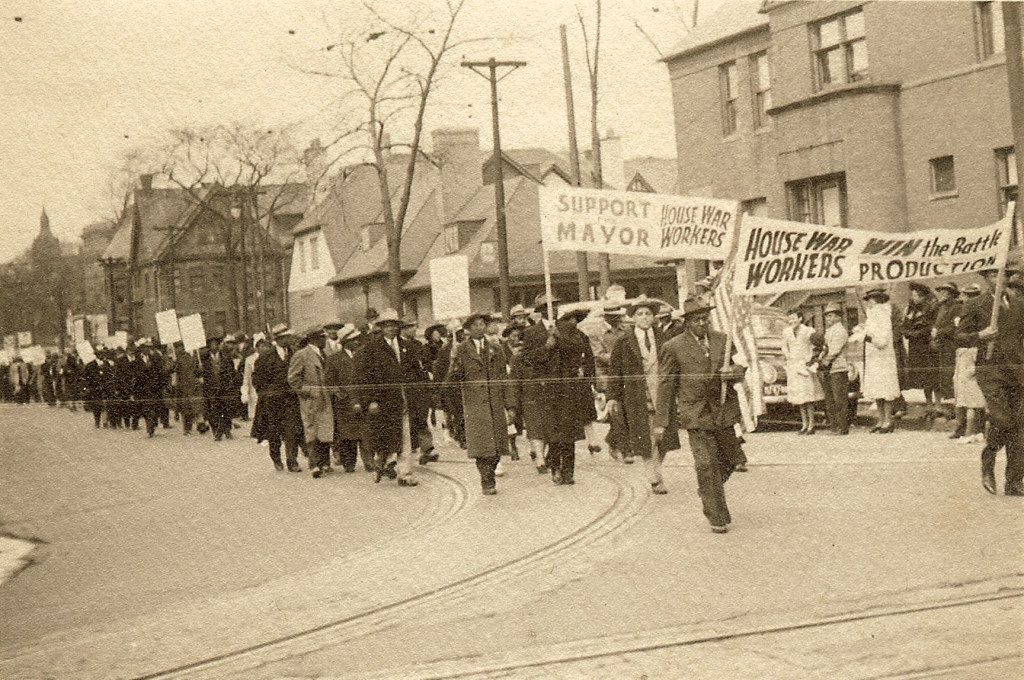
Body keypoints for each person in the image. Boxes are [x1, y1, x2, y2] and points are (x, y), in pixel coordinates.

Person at [655, 297, 746, 534]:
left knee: (731, 461)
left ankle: (707, 489)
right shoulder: (673, 347)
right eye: (697, 320)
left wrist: (733, 373)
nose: (702, 323)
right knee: (706, 465)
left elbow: (739, 368)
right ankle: (717, 517)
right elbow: (666, 385)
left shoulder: (723, 341)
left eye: (705, 319)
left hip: (723, 411)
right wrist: (661, 421)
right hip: (696, 414)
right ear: (687, 322)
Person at [606, 298, 680, 495]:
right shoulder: (623, 341)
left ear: (654, 317)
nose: (645, 317)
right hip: (637, 395)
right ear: (633, 318)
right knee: (645, 438)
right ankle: (654, 477)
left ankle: (656, 468)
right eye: (640, 314)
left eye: (648, 314)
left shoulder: (664, 338)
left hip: (662, 395)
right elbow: (615, 371)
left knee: (664, 437)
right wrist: (612, 397)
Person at [522, 302, 593, 485]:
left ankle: (568, 470)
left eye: (554, 306)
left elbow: (579, 349)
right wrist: (547, 346)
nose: (551, 310)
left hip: (568, 386)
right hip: (546, 387)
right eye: (547, 307)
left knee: (568, 431)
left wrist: (561, 340)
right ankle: (555, 467)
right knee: (553, 431)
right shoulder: (531, 333)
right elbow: (527, 359)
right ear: (540, 311)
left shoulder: (568, 329)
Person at [971, 260, 1024, 496]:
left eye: (1005, 274)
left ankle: (1014, 481)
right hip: (990, 371)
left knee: (1020, 428)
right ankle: (989, 457)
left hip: (1017, 371)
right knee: (1004, 421)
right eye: (994, 274)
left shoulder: (1019, 304)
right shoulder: (976, 305)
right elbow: (952, 336)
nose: (1000, 278)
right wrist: (980, 335)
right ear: (986, 278)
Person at [447, 313, 515, 495]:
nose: (479, 328)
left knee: (497, 447)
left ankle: (490, 472)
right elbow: (452, 381)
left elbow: (503, 377)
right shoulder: (461, 349)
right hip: (474, 404)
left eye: (482, 324)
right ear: (467, 329)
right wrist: (453, 361)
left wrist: (510, 405)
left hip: (495, 403)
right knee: (482, 447)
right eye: (475, 325)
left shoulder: (495, 348)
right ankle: (487, 480)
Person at [359, 308, 419, 487]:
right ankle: (381, 463)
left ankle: (405, 474)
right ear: (381, 328)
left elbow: (414, 372)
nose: (392, 329)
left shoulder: (407, 347)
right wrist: (370, 400)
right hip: (383, 399)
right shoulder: (372, 348)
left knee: (406, 434)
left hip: (404, 397)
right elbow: (366, 376)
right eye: (387, 326)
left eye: (395, 325)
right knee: (387, 436)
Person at [251, 330, 304, 472]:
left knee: (292, 430)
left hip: (291, 399)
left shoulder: (295, 353)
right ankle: (276, 458)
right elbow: (256, 380)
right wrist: (267, 393)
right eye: (286, 337)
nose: (289, 339)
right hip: (272, 402)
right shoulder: (265, 357)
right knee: (274, 432)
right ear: (279, 339)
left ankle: (292, 461)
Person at [850, 289, 901, 433]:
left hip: (883, 357)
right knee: (877, 390)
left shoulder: (882, 315)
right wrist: (862, 331)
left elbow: (882, 341)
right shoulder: (873, 317)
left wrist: (866, 337)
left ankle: (888, 421)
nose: (869, 303)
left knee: (885, 389)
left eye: (871, 300)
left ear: (877, 300)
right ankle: (881, 419)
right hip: (874, 358)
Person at [288, 326, 335, 478]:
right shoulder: (302, 355)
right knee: (312, 431)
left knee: (325, 429)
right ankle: (314, 464)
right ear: (315, 339)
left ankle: (325, 462)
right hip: (311, 400)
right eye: (323, 337)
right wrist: (309, 391)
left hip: (325, 398)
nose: (325, 340)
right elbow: (293, 380)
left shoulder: (325, 353)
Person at [324, 324, 369, 473]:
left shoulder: (364, 356)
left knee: (365, 433)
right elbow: (329, 381)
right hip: (344, 402)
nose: (357, 342)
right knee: (347, 435)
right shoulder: (334, 359)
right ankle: (349, 463)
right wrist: (337, 393)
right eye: (353, 339)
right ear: (345, 342)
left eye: (358, 339)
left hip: (363, 400)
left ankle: (369, 462)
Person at [953, 283, 989, 444]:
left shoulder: (974, 312)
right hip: (966, 351)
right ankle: (977, 430)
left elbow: (962, 335)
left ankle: (971, 431)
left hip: (970, 352)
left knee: (970, 394)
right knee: (970, 392)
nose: (967, 299)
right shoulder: (969, 311)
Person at [782, 308, 824, 434]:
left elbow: (815, 346)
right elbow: (784, 346)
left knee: (808, 396)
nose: (791, 321)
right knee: (799, 397)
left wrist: (810, 359)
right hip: (793, 366)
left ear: (800, 318)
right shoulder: (786, 332)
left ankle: (811, 424)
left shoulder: (808, 331)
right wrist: (788, 355)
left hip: (805, 365)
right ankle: (804, 424)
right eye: (789, 318)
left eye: (794, 318)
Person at [904, 282, 940, 410]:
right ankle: (929, 404)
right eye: (913, 295)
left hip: (928, 347)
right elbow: (905, 326)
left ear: (923, 296)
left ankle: (938, 404)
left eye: (916, 295)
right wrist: (910, 333)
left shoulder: (931, 308)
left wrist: (915, 333)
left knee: (933, 375)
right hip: (915, 347)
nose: (914, 298)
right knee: (923, 377)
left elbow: (930, 326)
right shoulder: (911, 309)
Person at [818, 302, 851, 435]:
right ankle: (834, 425)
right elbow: (825, 348)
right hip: (828, 368)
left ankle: (843, 426)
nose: (828, 319)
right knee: (830, 399)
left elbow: (834, 350)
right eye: (827, 316)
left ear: (838, 317)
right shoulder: (829, 331)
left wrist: (824, 361)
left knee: (839, 399)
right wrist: (820, 357)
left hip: (838, 368)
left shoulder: (840, 331)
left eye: (831, 316)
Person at [930, 282, 960, 418]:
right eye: (940, 291)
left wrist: (939, 332)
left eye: (944, 291)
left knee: (950, 375)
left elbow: (955, 327)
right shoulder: (939, 307)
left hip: (951, 346)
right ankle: (948, 406)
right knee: (943, 376)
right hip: (941, 346)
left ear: (950, 293)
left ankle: (955, 408)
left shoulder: (957, 308)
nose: (941, 294)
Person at [202, 337, 234, 441]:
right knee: (214, 411)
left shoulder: (226, 357)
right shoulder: (204, 360)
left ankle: (227, 430)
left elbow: (232, 372)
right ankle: (217, 432)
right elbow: (197, 373)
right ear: (209, 347)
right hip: (211, 389)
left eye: (216, 344)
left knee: (226, 409)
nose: (214, 346)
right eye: (212, 345)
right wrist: (200, 371)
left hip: (224, 388)